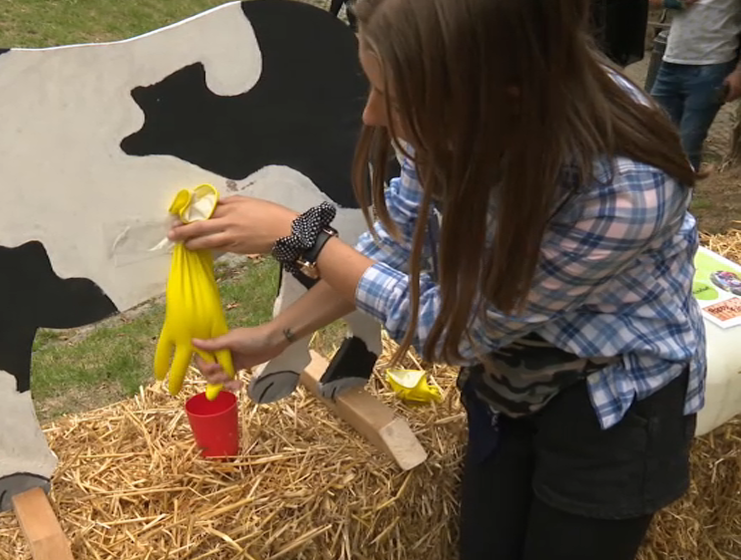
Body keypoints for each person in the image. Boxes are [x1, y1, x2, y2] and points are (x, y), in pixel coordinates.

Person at [167, 0, 707, 559]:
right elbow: (403, 245)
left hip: (614, 400)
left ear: (500, 94)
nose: (374, 116)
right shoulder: (449, 114)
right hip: (509, 380)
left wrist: (305, 238)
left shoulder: (626, 189)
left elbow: (457, 329)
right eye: (374, 87)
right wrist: (279, 334)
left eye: (394, 98)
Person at [648, 0, 741, 176]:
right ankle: (660, 198)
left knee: (687, 146)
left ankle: (681, 201)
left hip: (712, 66)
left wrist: (739, 72)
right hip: (670, 63)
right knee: (655, 138)